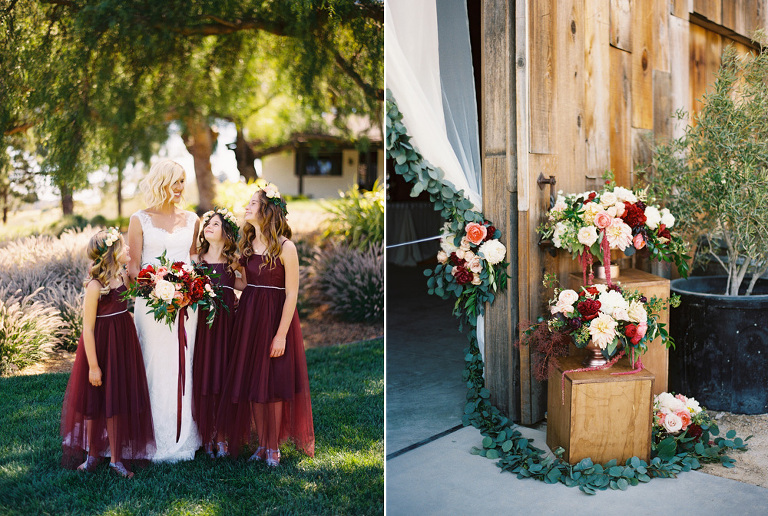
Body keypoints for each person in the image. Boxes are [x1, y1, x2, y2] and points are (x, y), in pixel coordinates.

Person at [217, 183, 315, 466]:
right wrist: (222, 278)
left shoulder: (286, 247)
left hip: (274, 318)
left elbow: (292, 293)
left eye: (252, 203)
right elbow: (245, 284)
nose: (247, 207)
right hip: (249, 316)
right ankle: (261, 445)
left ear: (267, 210)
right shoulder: (247, 247)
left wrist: (281, 335)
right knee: (252, 383)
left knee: (272, 383)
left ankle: (273, 447)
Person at [60, 228, 155, 478]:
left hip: (122, 343)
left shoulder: (124, 276)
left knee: (117, 400)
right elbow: (87, 329)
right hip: (101, 346)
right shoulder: (96, 285)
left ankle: (116, 459)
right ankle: (92, 454)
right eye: (124, 246)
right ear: (112, 252)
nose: (129, 250)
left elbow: (129, 302)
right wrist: (93, 365)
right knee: (95, 401)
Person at [127, 159, 201, 462]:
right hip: (150, 303)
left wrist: (190, 286)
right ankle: (149, 436)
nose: (181, 188)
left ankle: (183, 436)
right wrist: (153, 288)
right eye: (176, 182)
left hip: (187, 306)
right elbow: (132, 266)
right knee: (154, 365)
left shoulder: (193, 218)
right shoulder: (139, 219)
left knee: (185, 364)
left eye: (183, 181)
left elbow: (194, 258)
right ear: (161, 183)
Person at [191, 208, 240, 458]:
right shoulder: (197, 260)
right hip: (204, 328)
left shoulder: (234, 263)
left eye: (216, 224)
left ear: (226, 233)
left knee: (222, 378)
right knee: (204, 377)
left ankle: (222, 436)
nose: (208, 226)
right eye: (207, 223)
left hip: (227, 327)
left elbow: (247, 284)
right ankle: (206, 435)